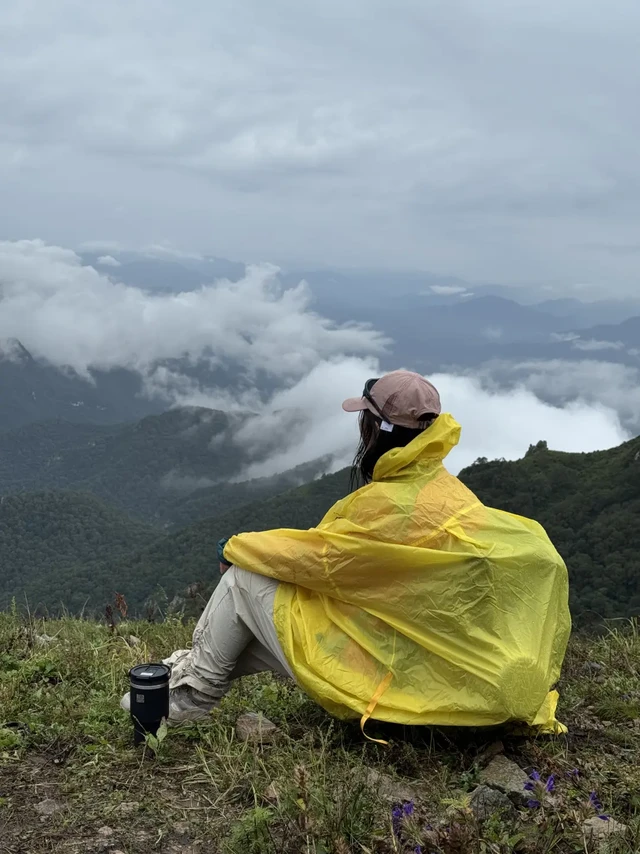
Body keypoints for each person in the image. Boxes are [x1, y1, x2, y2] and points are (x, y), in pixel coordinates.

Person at [121, 370, 571, 732]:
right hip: (455, 687)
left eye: (364, 418)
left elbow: (320, 560)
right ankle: (185, 671)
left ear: (374, 426)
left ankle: (193, 693)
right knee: (276, 608)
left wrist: (236, 547)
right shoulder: (447, 490)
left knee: (245, 579)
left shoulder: (385, 505)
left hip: (397, 693)